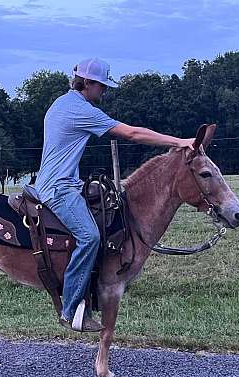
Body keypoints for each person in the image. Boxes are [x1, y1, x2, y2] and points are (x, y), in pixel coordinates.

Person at [34, 57, 195, 332]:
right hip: (59, 187)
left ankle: (90, 290)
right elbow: (131, 133)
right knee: (90, 236)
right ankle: (70, 308)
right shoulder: (81, 110)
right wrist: (178, 142)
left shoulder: (61, 102)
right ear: (87, 83)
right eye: (101, 85)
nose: (104, 91)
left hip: (60, 181)